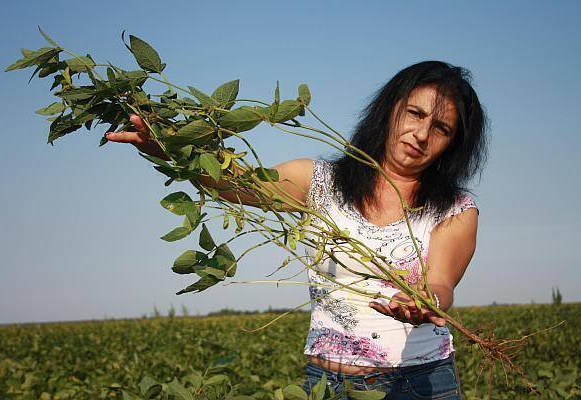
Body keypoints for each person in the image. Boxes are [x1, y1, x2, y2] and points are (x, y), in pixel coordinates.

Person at [105, 60, 488, 399]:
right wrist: (172, 146)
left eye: (441, 128)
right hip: (327, 384)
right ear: (390, 109)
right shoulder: (320, 181)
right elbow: (235, 184)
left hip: (418, 383)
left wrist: (426, 303)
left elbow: (440, 283)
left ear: (453, 145)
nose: (421, 134)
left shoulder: (455, 209)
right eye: (415, 113)